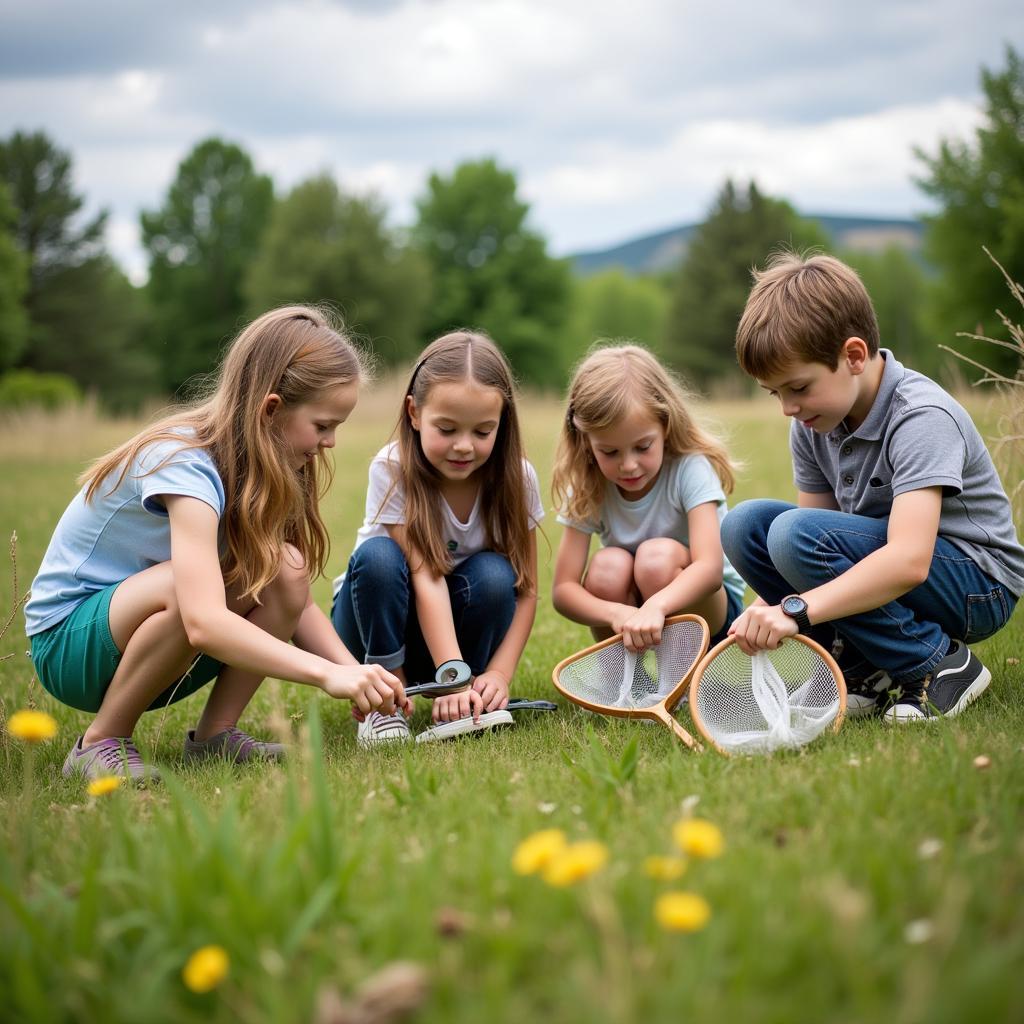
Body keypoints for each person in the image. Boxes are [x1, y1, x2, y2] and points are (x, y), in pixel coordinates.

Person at [25, 306, 409, 781]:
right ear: (271, 409)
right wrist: (324, 675)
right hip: (69, 645)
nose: (329, 442)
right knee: (181, 590)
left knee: (286, 568)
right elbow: (202, 621)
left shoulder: (274, 464)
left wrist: (361, 679)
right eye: (323, 425)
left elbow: (295, 602)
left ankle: (215, 737)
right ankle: (100, 741)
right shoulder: (183, 462)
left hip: (156, 644)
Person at [722, 251, 1023, 722]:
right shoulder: (813, 423)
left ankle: (937, 664)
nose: (787, 408)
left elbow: (908, 561)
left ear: (854, 356)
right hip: (899, 566)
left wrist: (795, 611)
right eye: (775, 393)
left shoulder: (920, 416)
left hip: (974, 584)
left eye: (798, 388)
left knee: (792, 533)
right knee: (746, 525)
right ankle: (862, 665)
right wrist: (762, 609)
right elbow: (801, 549)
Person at [330, 330, 544, 746]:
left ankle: (468, 693)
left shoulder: (518, 479)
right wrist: (450, 673)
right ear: (414, 413)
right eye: (446, 428)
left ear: (503, 423)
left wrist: (499, 672)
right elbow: (425, 576)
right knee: (379, 557)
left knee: (497, 576)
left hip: (450, 628)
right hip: (372, 621)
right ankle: (386, 698)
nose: (464, 446)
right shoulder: (391, 469)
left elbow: (527, 590)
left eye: (483, 432)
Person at [550, 344, 745, 656]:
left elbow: (709, 570)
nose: (628, 465)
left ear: (665, 425)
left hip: (710, 612)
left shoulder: (689, 468)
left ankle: (684, 672)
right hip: (634, 616)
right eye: (609, 452)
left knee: (656, 559)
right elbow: (563, 590)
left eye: (643, 447)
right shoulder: (590, 484)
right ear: (586, 441)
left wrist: (656, 605)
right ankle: (626, 680)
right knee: (607, 566)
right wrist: (616, 613)